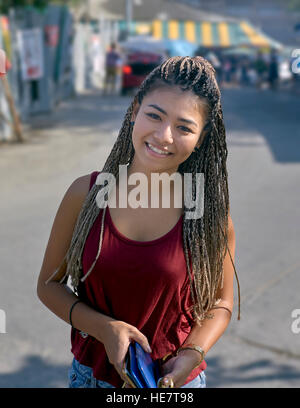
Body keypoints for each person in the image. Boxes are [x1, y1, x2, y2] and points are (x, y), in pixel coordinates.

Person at [36, 56, 241, 389]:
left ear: (201, 138)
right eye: (154, 116)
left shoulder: (208, 216)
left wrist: (191, 353)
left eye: (184, 127)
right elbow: (48, 285)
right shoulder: (85, 195)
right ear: (134, 111)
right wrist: (104, 328)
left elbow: (221, 300)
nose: (164, 135)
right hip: (92, 378)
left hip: (176, 385)